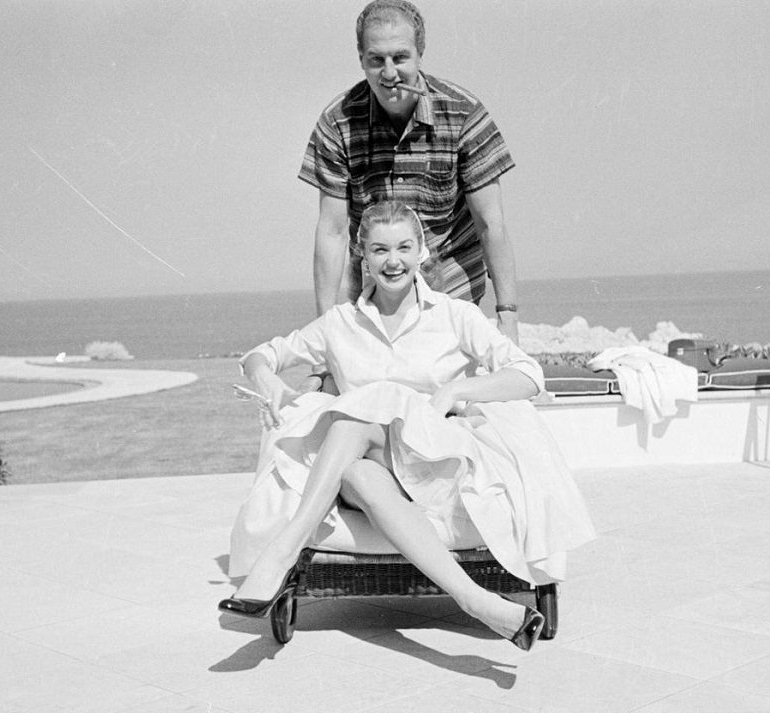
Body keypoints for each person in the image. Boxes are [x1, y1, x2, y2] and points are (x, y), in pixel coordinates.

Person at [219, 201, 594, 651]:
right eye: (379, 249)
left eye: (402, 247)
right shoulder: (340, 323)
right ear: (363, 257)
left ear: (421, 252)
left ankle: (282, 551)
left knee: (360, 410)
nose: (392, 260)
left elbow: (528, 375)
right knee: (356, 461)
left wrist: (457, 393)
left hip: (437, 460)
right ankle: (475, 600)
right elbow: (263, 355)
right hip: (373, 461)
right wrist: (266, 377)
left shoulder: (455, 316)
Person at [300, 0, 521, 343]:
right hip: (374, 295)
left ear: (420, 53)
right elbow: (332, 231)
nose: (389, 73)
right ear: (361, 59)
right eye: (377, 60)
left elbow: (490, 223)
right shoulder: (337, 122)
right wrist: (326, 331)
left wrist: (507, 317)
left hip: (452, 294)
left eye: (400, 58)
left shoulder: (464, 115)